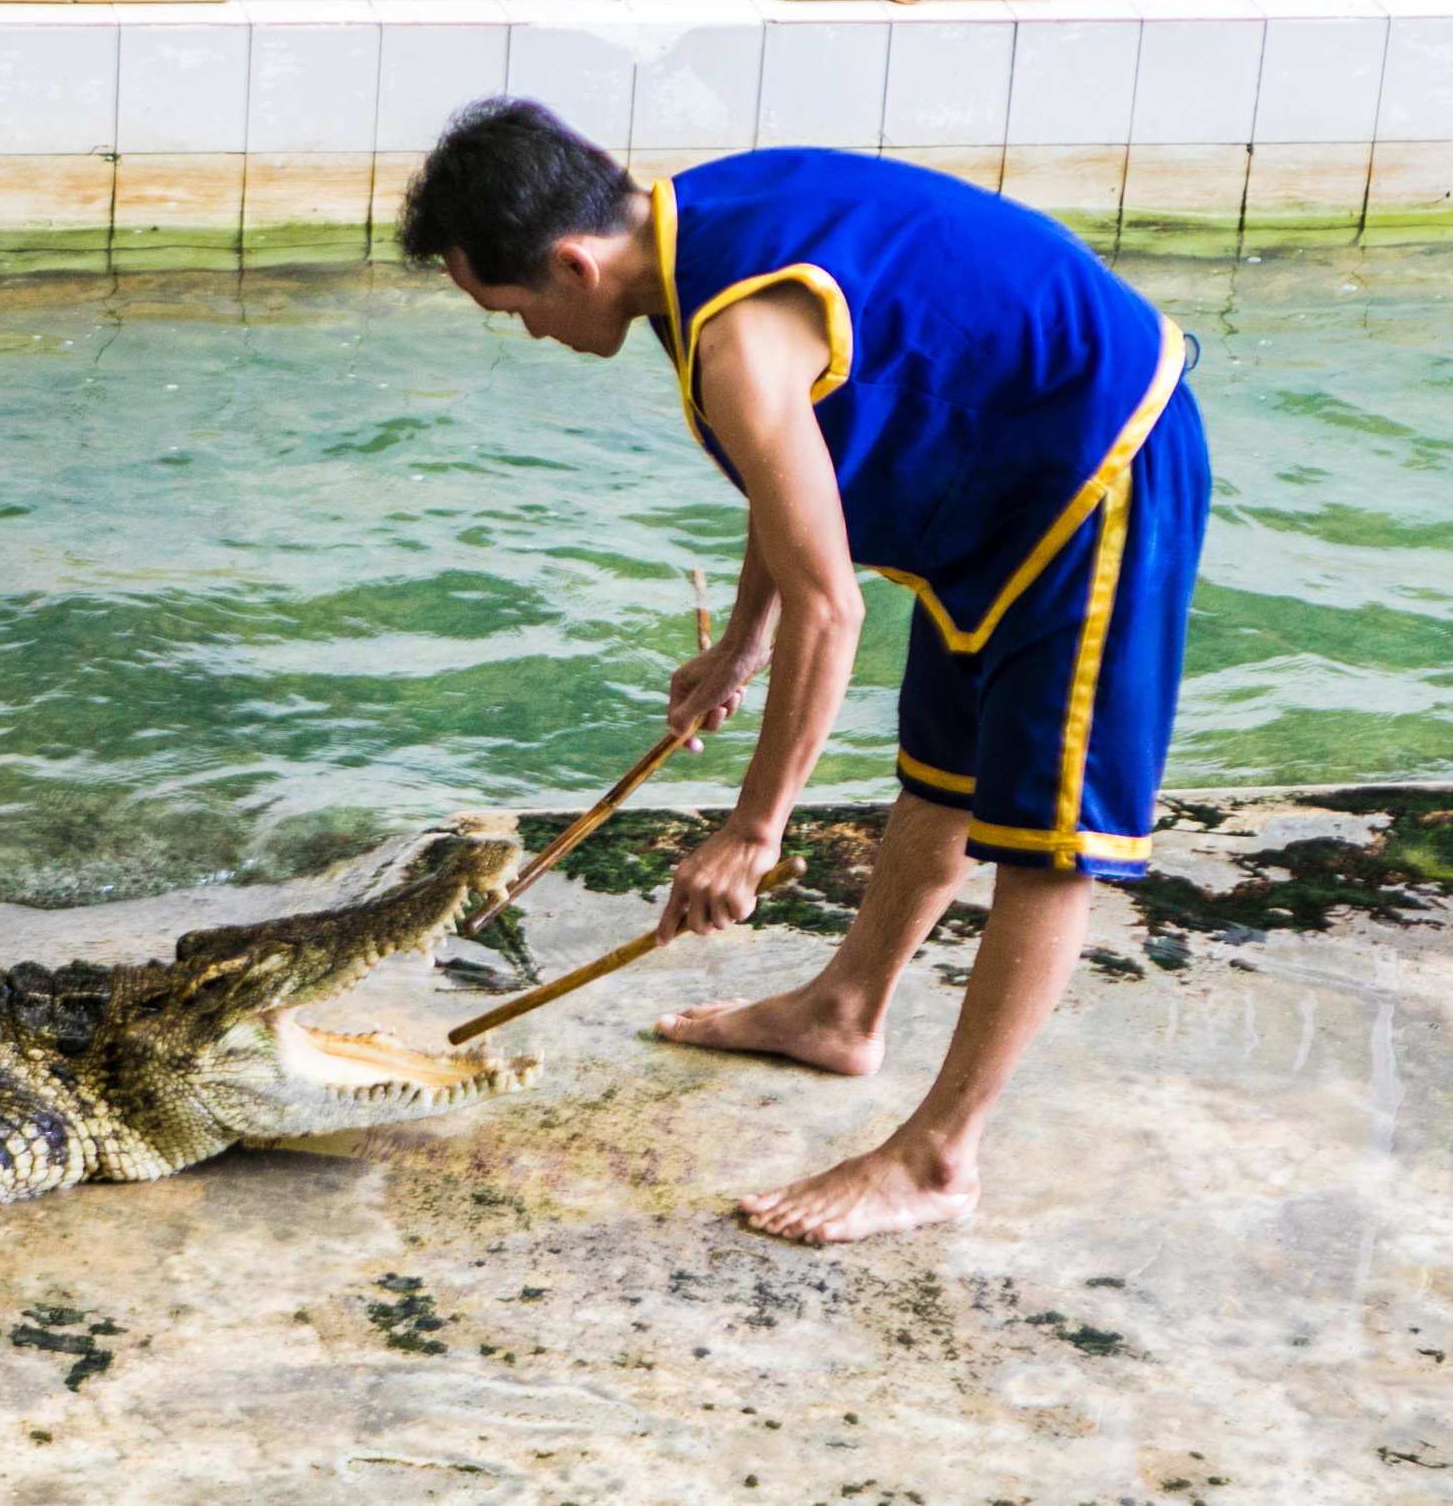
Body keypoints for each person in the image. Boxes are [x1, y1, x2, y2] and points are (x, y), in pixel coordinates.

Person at [399, 99, 1209, 1245]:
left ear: (573, 263)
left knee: (1046, 837)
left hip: (1098, 465)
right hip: (998, 482)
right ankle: (842, 1011)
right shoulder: (696, 225)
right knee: (942, 775)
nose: (526, 333)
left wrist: (754, 826)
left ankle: (937, 1156)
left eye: (511, 306)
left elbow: (832, 602)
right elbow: (796, 474)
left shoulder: (729, 333)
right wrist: (740, 642)